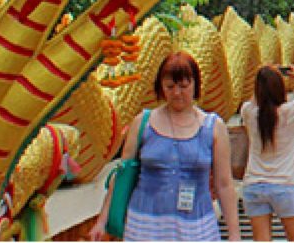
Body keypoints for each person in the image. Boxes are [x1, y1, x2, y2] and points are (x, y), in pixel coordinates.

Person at [90, 52, 240, 241]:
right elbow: (122, 175)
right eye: (170, 87)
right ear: (160, 87)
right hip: (145, 226)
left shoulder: (213, 127)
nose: (177, 93)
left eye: (184, 86)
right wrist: (102, 220)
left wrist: (234, 234)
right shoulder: (143, 122)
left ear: (195, 85)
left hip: (196, 227)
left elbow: (224, 184)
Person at [242, 65, 294, 241]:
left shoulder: (248, 112)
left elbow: (253, 101)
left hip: (254, 184)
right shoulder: (290, 111)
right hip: (285, 183)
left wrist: (262, 75)